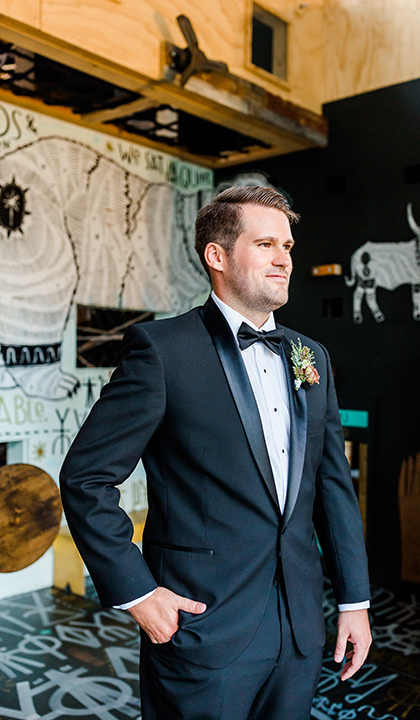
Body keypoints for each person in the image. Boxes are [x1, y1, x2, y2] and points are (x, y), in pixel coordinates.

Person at [60, 185, 372, 720]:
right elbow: (86, 478)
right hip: (200, 630)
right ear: (217, 256)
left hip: (300, 630)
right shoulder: (161, 350)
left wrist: (354, 602)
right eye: (267, 244)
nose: (284, 259)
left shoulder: (309, 355)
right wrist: (138, 594)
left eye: (289, 246)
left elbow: (332, 486)